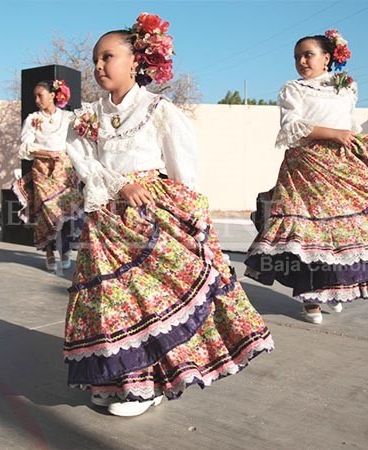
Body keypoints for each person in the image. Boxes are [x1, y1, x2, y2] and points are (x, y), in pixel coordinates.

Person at [62, 13, 273, 417]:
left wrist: (190, 221)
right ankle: (113, 377)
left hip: (149, 216)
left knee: (150, 301)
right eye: (95, 59)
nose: (99, 66)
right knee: (108, 300)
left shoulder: (160, 110)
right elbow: (83, 162)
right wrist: (119, 185)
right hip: (107, 219)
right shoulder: (87, 116)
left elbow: (182, 173)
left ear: (137, 62)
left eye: (108, 57)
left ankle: (149, 383)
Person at [245, 30, 368, 324]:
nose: (301, 61)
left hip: (341, 165)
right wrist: (334, 134)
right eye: (297, 56)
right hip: (305, 168)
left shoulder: (346, 88)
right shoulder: (293, 90)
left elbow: (349, 124)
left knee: (345, 233)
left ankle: (334, 289)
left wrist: (356, 150)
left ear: (327, 58)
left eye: (308, 54)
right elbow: (292, 127)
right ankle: (310, 297)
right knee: (309, 235)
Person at [13, 80, 83, 273]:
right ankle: (50, 252)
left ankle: (66, 249)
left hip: (64, 169)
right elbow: (25, 147)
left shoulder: (68, 117)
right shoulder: (33, 119)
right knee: (45, 211)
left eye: (40, 95)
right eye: (34, 96)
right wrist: (47, 154)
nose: (36, 100)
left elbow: (78, 140)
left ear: (53, 95)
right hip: (42, 170)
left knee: (66, 210)